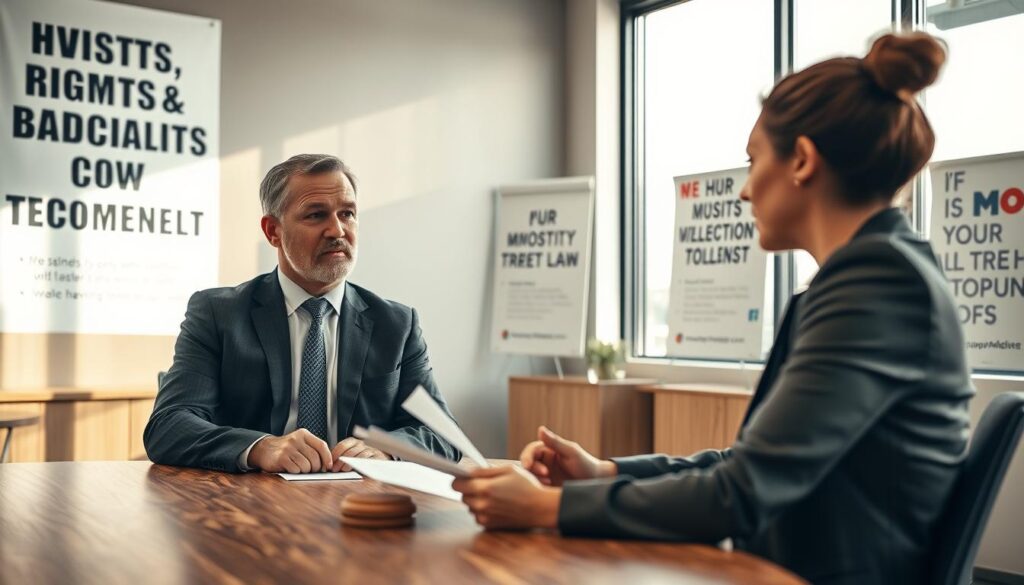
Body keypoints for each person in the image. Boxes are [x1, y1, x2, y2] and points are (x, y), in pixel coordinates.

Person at [453, 32, 973, 585]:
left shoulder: (877, 286)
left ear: (801, 160)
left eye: (753, 161)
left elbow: (740, 494)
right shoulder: (869, 275)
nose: (745, 190)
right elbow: (746, 465)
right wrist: (599, 472)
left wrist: (542, 509)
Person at [145, 154, 461, 473]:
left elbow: (444, 436)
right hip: (248, 504)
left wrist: (386, 452)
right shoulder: (218, 313)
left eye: (348, 213)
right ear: (273, 231)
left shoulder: (396, 324)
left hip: (357, 503)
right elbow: (169, 427)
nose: (336, 230)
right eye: (316, 215)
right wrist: (259, 447)